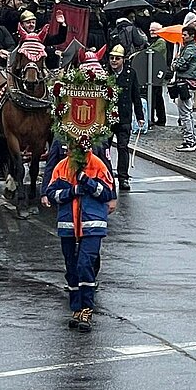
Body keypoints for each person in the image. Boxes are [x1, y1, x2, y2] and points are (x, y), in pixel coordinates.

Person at [44, 146, 117, 332]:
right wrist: (72, 191)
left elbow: (106, 193)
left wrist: (87, 181)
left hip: (92, 225)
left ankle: (86, 309)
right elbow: (52, 193)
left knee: (85, 264)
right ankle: (76, 308)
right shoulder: (61, 167)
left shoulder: (98, 165)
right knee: (71, 268)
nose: (69, 151)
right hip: (68, 226)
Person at [108, 44, 144, 189]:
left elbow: (136, 96)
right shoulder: (105, 73)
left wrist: (140, 116)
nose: (114, 61)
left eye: (117, 58)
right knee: (104, 148)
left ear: (123, 60)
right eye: (112, 58)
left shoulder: (130, 74)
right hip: (107, 118)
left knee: (123, 147)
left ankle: (123, 177)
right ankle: (105, 175)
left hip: (124, 117)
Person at [169, 24, 196, 152]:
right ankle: (189, 139)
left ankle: (190, 141)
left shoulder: (190, 49)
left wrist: (175, 63)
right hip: (187, 82)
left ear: (192, 36)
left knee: (185, 113)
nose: (183, 37)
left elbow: (180, 65)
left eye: (185, 35)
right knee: (186, 112)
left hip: (186, 82)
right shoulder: (189, 48)